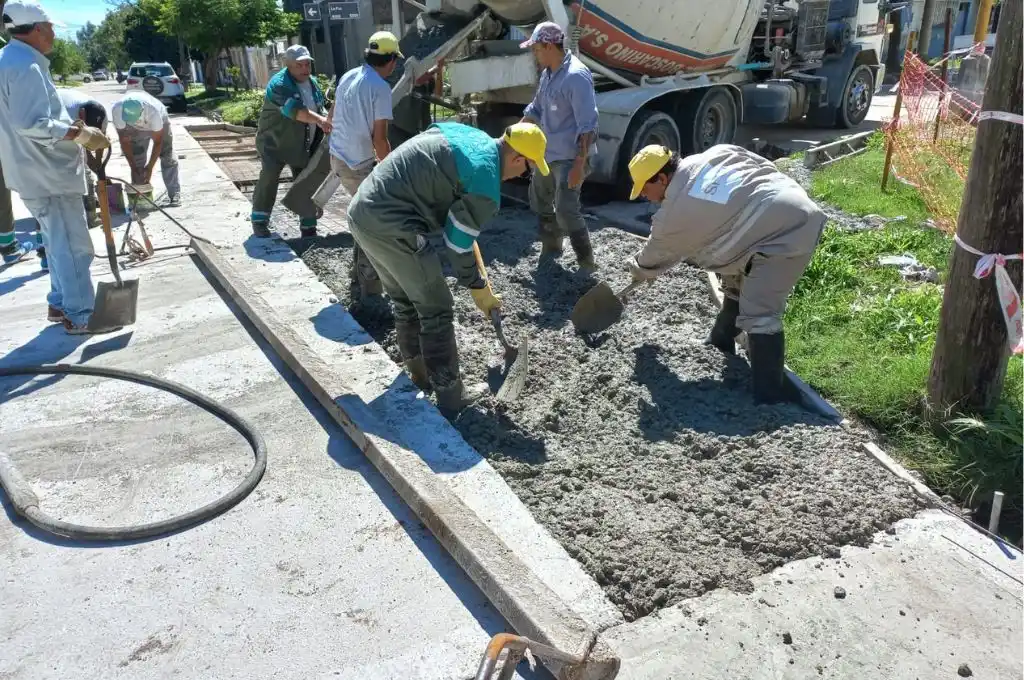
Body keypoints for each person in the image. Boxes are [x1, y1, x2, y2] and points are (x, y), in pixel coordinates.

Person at [347, 122, 549, 413]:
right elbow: (456, 243)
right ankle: (451, 398)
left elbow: (435, 160)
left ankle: (420, 376)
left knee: (406, 300)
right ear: (518, 158)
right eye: (527, 169)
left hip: (363, 212)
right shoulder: (486, 179)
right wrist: (477, 286)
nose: (522, 175)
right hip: (392, 224)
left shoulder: (471, 136)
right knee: (437, 306)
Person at [626, 144, 826, 404]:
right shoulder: (715, 154)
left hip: (787, 233)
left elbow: (655, 253)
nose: (643, 194)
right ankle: (721, 340)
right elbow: (762, 165)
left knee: (759, 311)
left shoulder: (676, 212)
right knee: (734, 279)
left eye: (644, 187)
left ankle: (769, 398)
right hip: (789, 203)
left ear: (662, 178)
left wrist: (639, 271)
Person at [0, 1, 113, 333]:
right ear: (37, 28)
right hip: (47, 172)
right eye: (50, 28)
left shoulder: (12, 60)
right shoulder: (24, 66)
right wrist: (79, 133)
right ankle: (82, 315)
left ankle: (60, 302)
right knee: (74, 247)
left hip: (32, 170)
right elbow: (30, 123)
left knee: (55, 242)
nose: (52, 35)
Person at [326, 31, 402, 297]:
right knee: (374, 225)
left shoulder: (349, 75)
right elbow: (379, 139)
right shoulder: (380, 87)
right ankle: (369, 292)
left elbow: (332, 114)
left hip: (338, 157)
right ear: (391, 60)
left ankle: (356, 276)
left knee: (361, 216)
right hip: (357, 164)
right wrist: (392, 169)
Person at [520, 21, 599, 271]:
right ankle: (551, 248)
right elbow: (536, 109)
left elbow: (588, 125)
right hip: (547, 154)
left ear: (549, 45)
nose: (534, 53)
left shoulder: (575, 76)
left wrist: (579, 164)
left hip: (570, 156)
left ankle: (586, 262)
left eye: (536, 48)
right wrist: (512, 134)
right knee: (540, 200)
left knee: (565, 210)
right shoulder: (548, 74)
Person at [252, 44, 330, 239]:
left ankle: (308, 226)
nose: (305, 69)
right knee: (269, 177)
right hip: (274, 142)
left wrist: (327, 117)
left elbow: (320, 108)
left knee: (306, 181)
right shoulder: (279, 85)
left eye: (307, 65)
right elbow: (295, 111)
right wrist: (321, 121)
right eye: (299, 65)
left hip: (302, 144)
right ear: (288, 65)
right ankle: (259, 221)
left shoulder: (312, 83)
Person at [111, 90, 179, 206]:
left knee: (166, 154)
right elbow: (124, 140)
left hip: (159, 122)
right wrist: (133, 167)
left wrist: (150, 167)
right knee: (137, 159)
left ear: (142, 111)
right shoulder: (118, 110)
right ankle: (138, 198)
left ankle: (174, 194)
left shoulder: (153, 112)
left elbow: (158, 143)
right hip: (135, 129)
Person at [58, 88, 106, 227]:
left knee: (84, 172)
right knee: (83, 175)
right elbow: (75, 139)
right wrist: (88, 162)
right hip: (54, 134)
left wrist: (98, 163)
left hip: (69, 127)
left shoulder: (100, 112)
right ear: (82, 115)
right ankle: (90, 218)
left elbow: (100, 140)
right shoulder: (66, 114)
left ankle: (82, 205)